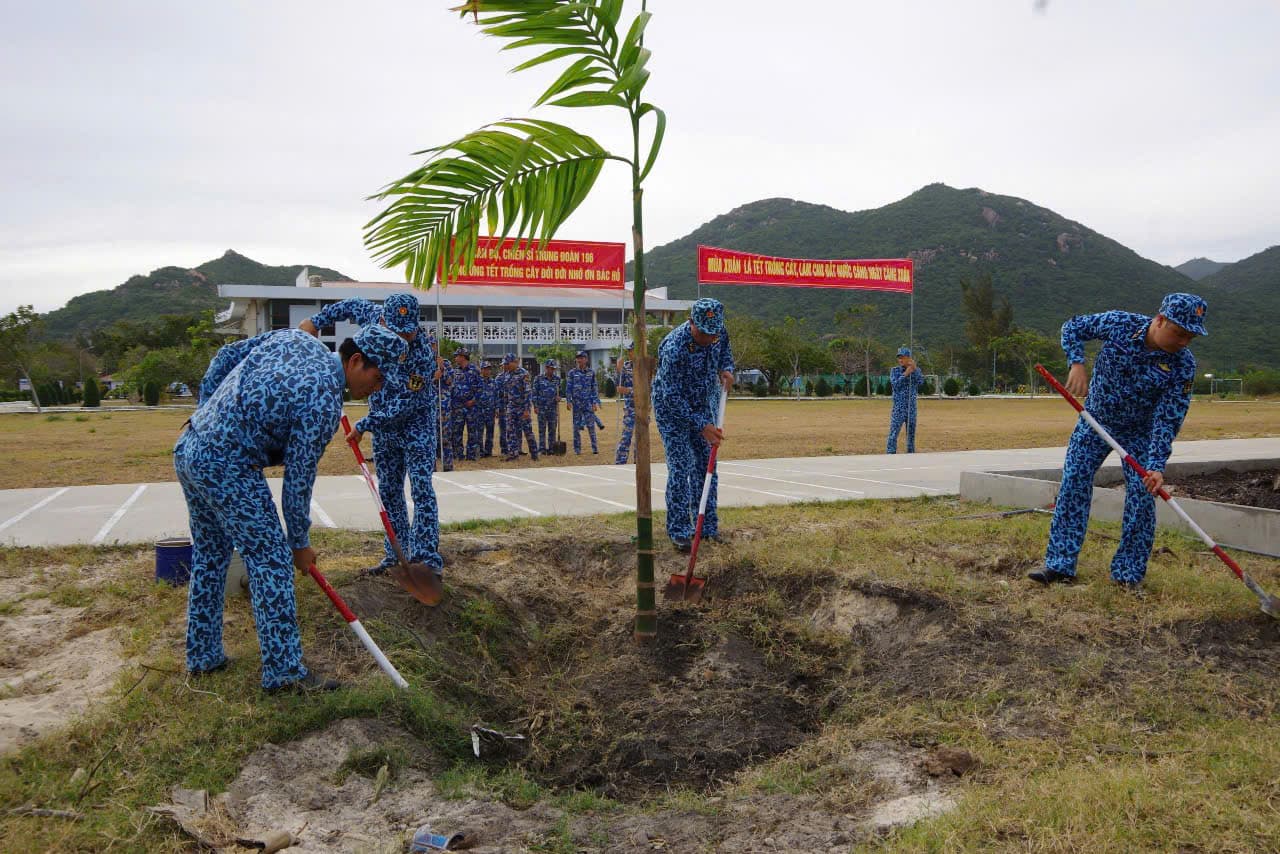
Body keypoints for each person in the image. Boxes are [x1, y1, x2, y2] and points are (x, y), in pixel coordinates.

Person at [177, 325, 405, 692]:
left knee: (211, 553)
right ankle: (284, 675)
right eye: (377, 378)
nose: (376, 389)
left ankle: (203, 657)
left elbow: (224, 357)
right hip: (227, 464)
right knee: (270, 558)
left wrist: (206, 412)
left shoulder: (295, 339)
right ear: (357, 360)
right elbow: (298, 482)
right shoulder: (323, 400)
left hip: (191, 445)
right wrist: (299, 544)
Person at [1029, 293, 1208, 593]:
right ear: (1160, 320)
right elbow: (1072, 328)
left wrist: (1156, 465)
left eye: (1190, 337)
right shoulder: (1119, 324)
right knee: (1073, 482)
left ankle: (1128, 574)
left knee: (1142, 496)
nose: (1184, 342)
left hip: (1140, 433)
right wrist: (1076, 363)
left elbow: (1169, 416)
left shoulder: (1183, 366)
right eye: (1179, 333)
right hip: (1095, 422)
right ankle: (1059, 565)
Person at [300, 294, 444, 578]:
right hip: (384, 428)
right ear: (383, 321)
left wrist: (366, 423)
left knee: (421, 488)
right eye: (397, 330)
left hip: (416, 424)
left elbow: (408, 402)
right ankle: (396, 555)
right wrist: (316, 322)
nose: (405, 336)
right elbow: (345, 306)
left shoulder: (422, 354)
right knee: (389, 491)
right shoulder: (369, 314)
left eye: (409, 329)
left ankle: (426, 558)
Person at [653, 298, 735, 552]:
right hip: (673, 412)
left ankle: (707, 528)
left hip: (703, 405)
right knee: (681, 467)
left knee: (706, 465)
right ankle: (679, 531)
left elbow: (725, 354)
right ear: (691, 323)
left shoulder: (718, 332)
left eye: (713, 333)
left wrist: (726, 369)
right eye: (703, 333)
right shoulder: (674, 348)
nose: (709, 338)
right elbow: (671, 396)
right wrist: (701, 425)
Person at [499, 353, 539, 462]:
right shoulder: (506, 374)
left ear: (513, 362)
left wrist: (526, 409)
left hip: (522, 407)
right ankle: (513, 454)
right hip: (511, 407)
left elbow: (527, 393)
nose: (505, 366)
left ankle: (534, 453)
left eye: (507, 364)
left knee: (527, 431)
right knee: (510, 430)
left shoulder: (523, 374)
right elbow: (506, 392)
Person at [886, 347, 923, 454]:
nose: (901, 360)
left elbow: (920, 383)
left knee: (911, 434)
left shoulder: (916, 370)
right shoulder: (895, 371)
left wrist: (914, 370)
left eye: (903, 357)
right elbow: (895, 385)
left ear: (909, 358)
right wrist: (906, 373)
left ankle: (910, 454)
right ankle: (890, 453)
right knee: (894, 432)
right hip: (899, 407)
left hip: (911, 407)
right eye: (899, 358)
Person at [448, 348, 482, 461]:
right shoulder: (454, 371)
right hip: (458, 406)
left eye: (457, 356)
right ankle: (458, 455)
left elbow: (480, 388)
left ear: (463, 357)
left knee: (472, 431)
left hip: (471, 406)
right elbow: (451, 388)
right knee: (457, 431)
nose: (455, 358)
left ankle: (471, 455)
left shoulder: (475, 370)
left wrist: (474, 400)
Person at [566, 350, 601, 454]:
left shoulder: (591, 372)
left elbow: (594, 388)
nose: (579, 360)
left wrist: (595, 402)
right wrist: (568, 401)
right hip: (576, 404)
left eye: (581, 358)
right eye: (578, 358)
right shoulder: (572, 373)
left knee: (591, 426)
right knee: (576, 427)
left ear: (586, 359)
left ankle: (595, 448)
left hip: (588, 403)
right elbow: (569, 388)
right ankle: (577, 450)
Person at [614, 342, 636, 464]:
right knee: (626, 437)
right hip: (630, 408)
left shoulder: (645, 366)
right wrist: (618, 370)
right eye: (629, 351)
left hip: (642, 409)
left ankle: (639, 463)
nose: (630, 353)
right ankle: (620, 462)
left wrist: (629, 391)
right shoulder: (626, 366)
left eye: (632, 350)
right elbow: (619, 386)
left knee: (640, 440)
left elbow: (649, 389)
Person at [533, 359, 561, 454]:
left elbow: (559, 392)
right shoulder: (538, 378)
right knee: (542, 429)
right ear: (546, 368)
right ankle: (542, 448)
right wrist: (535, 406)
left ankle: (552, 448)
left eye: (553, 369)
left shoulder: (557, 379)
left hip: (553, 408)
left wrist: (558, 398)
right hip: (541, 408)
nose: (552, 370)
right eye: (550, 368)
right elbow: (534, 393)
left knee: (552, 429)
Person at [477, 362, 498, 458]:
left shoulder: (493, 382)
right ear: (481, 370)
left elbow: (496, 396)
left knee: (490, 432)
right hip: (479, 411)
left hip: (490, 411)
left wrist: (497, 408)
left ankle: (488, 451)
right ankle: (480, 451)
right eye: (485, 369)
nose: (487, 371)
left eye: (489, 369)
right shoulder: (477, 381)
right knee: (479, 432)